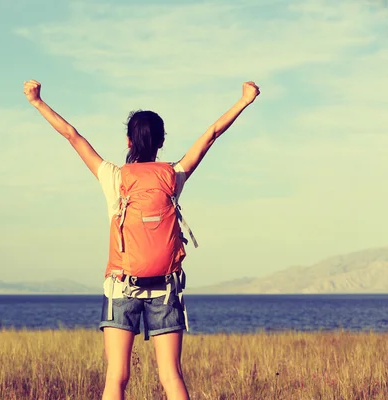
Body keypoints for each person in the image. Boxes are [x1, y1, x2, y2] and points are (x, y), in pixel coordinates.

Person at [23, 79, 260, 400]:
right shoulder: (174, 175)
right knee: (171, 377)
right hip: (165, 287)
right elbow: (212, 134)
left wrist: (37, 102)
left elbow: (71, 135)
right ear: (161, 142)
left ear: (128, 141)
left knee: (117, 378)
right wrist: (244, 100)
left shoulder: (113, 176)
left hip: (122, 284)